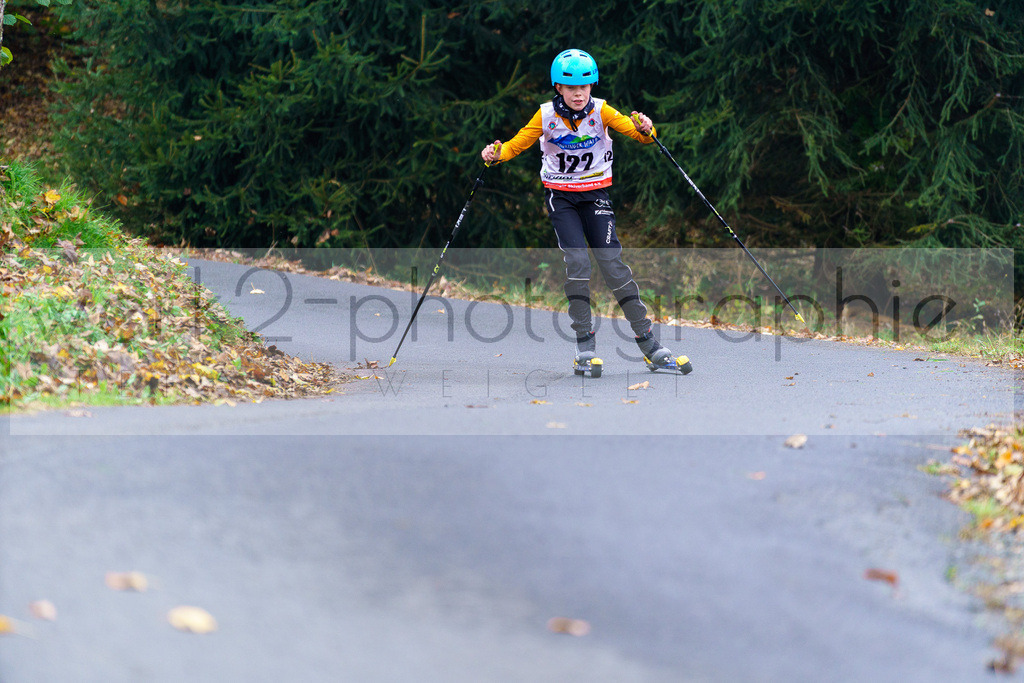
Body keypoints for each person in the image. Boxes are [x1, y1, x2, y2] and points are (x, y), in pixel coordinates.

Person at [480, 48, 689, 374]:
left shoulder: (603, 112)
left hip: (595, 197)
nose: (579, 94)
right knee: (577, 261)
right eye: (571, 87)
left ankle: (649, 345)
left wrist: (648, 128)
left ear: (592, 86)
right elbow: (516, 144)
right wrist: (495, 154)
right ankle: (585, 348)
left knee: (613, 266)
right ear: (558, 88)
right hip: (561, 198)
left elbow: (641, 135)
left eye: (585, 86)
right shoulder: (546, 115)